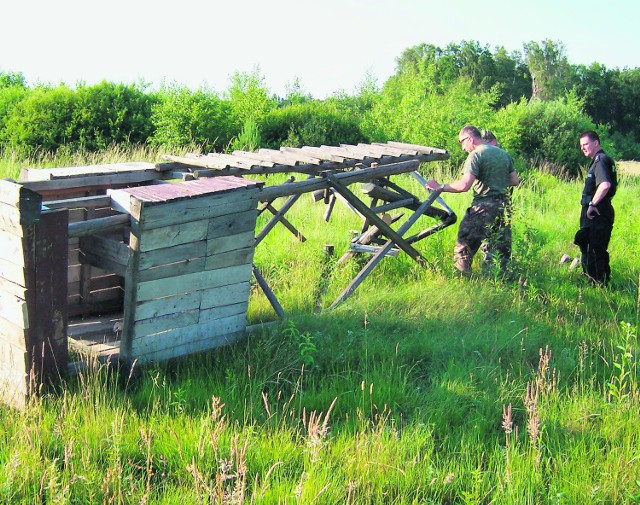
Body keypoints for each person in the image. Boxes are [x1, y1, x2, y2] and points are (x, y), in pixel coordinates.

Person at [425, 125, 520, 275]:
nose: (462, 148)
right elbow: (514, 180)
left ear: (470, 138)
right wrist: (495, 183)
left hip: (483, 208)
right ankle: (496, 282)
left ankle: (461, 281)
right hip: (503, 208)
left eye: (462, 142)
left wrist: (441, 187)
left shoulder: (476, 155)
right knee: (498, 250)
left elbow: (464, 185)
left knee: (464, 246)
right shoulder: (503, 154)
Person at [573, 130, 617, 285]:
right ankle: (597, 281)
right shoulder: (602, 160)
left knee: (594, 250)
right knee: (592, 247)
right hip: (600, 212)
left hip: (597, 214)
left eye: (586, 144)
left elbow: (605, 185)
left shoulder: (600, 160)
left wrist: (592, 204)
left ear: (596, 143)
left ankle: (597, 284)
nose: (583, 148)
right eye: (581, 145)